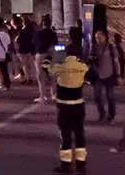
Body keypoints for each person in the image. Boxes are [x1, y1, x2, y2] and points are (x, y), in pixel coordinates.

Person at [43, 45, 88, 174]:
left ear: (66, 53)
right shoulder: (82, 67)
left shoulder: (60, 67)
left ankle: (66, 165)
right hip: (79, 105)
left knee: (65, 135)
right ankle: (81, 164)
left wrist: (50, 56)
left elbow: (46, 67)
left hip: (64, 106)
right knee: (79, 134)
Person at [88, 29, 119, 124]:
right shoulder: (94, 47)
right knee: (97, 96)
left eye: (100, 37)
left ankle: (111, 116)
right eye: (96, 38)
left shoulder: (111, 47)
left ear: (105, 37)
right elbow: (90, 61)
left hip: (109, 75)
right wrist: (91, 59)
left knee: (110, 97)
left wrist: (118, 75)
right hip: (97, 76)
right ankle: (102, 114)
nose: (98, 39)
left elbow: (116, 62)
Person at [34, 15, 58, 103]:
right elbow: (55, 44)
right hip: (51, 54)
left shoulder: (38, 33)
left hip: (40, 54)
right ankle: (54, 94)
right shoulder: (53, 33)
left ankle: (43, 96)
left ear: (42, 23)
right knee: (52, 75)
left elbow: (35, 43)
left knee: (41, 76)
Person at [17, 17, 36, 85]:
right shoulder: (32, 30)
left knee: (24, 65)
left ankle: (28, 78)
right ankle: (31, 78)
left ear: (23, 23)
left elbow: (18, 40)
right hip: (30, 49)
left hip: (23, 49)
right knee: (30, 64)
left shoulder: (22, 31)